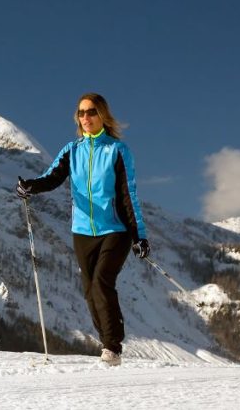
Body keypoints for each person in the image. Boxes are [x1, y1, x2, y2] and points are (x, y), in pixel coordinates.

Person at [16, 93, 149, 366]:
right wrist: (31, 186)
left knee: (102, 281)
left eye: (91, 112)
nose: (85, 117)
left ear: (102, 115)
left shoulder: (117, 150)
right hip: (83, 231)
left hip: (115, 229)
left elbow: (128, 195)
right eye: (81, 113)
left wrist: (139, 235)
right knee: (89, 291)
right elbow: (52, 177)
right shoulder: (72, 150)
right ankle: (107, 343)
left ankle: (112, 347)